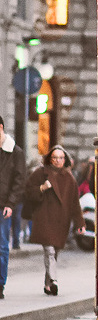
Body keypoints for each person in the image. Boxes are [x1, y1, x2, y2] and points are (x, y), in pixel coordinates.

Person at [24, 146, 85, 295]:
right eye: (55, 158)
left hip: (60, 221)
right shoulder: (41, 173)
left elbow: (74, 203)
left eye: (61, 158)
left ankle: (47, 285)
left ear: (65, 160)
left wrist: (80, 223)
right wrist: (42, 188)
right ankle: (54, 281)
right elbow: (27, 191)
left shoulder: (69, 178)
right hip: (44, 219)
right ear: (50, 159)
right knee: (49, 251)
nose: (58, 161)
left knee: (54, 253)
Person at [0, 115, 25, 300]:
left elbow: (19, 180)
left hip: (3, 206)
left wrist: (10, 204)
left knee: (2, 246)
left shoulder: (15, 152)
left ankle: (0, 284)